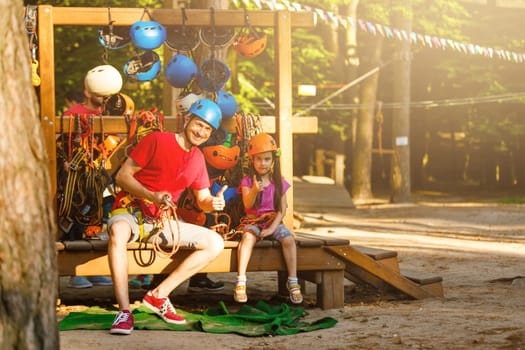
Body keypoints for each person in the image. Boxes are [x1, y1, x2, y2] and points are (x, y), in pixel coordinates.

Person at [107, 98, 227, 335]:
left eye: (207, 129)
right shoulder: (156, 140)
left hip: (161, 222)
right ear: (187, 119)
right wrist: (151, 196)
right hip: (131, 212)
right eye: (198, 124)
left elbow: (202, 200)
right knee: (117, 232)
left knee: (215, 242)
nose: (201, 131)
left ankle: (158, 296)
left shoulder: (198, 158)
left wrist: (213, 203)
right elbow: (122, 176)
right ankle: (124, 311)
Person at [233, 133, 303, 305]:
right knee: (247, 237)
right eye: (258, 159)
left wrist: (272, 228)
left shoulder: (278, 181)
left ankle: (293, 280)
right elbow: (247, 203)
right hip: (252, 221)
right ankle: (241, 281)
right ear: (252, 160)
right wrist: (255, 191)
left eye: (266, 159)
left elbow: (282, 208)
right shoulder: (247, 181)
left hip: (273, 221)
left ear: (273, 160)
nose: (262, 163)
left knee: (288, 240)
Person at [62, 85, 113, 289]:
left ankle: (94, 270)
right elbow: (62, 145)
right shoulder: (72, 114)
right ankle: (77, 273)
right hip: (79, 179)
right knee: (78, 223)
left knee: (100, 223)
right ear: (87, 92)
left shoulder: (111, 113)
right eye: (99, 91)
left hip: (104, 177)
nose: (104, 95)